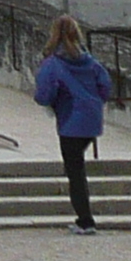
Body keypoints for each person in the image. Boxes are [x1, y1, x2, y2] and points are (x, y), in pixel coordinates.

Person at [33, 14, 116, 234]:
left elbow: (43, 94)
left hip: (70, 119)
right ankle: (85, 218)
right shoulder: (89, 60)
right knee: (78, 166)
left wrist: (54, 101)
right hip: (92, 117)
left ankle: (85, 219)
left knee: (75, 171)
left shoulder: (53, 63)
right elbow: (105, 85)